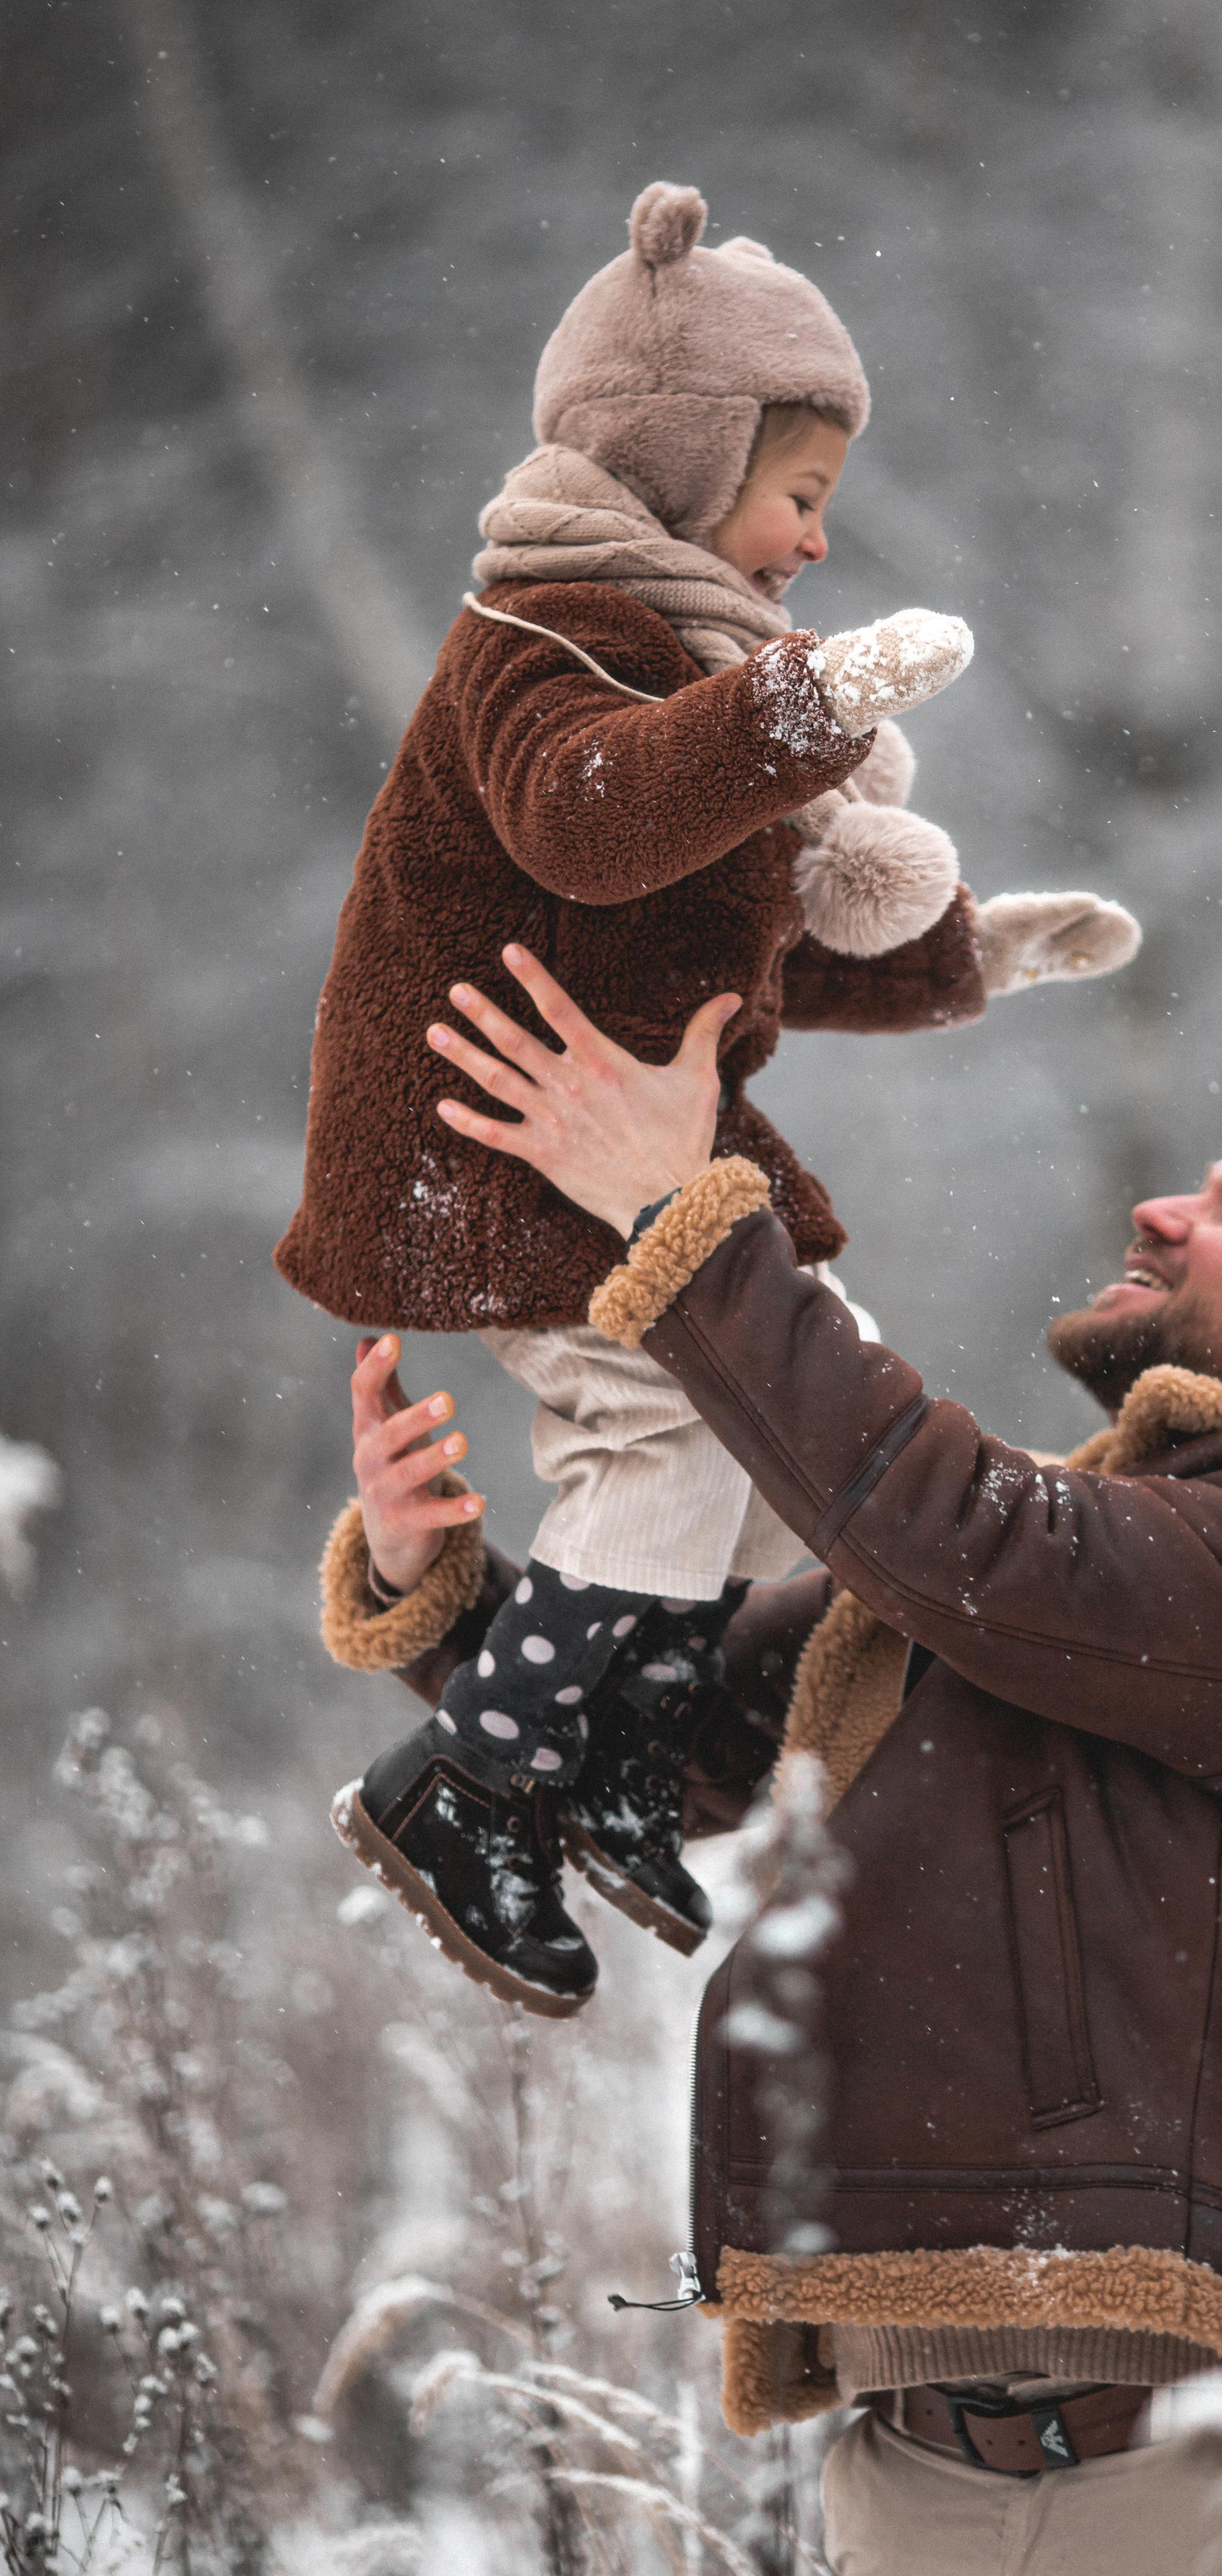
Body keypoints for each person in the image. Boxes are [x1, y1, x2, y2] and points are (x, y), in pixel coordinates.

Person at [315, 952, 1222, 2573]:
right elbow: (680, 1741)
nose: (1158, 1208)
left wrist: (693, 1221)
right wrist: (434, 1580)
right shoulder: (1052, 1569)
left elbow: (965, 1537)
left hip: (1199, 2479)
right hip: (906, 2480)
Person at [275, 178, 1137, 2013]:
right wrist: (806, 713)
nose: (820, 544)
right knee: (661, 1444)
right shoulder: (549, 637)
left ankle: (603, 1763)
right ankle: (472, 1783)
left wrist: (975, 954)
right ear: (684, 453)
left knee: (760, 1461)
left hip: (595, 1157)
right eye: (800, 494)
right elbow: (594, 821)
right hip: (494, 1151)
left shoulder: (684, 671)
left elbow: (750, 947)